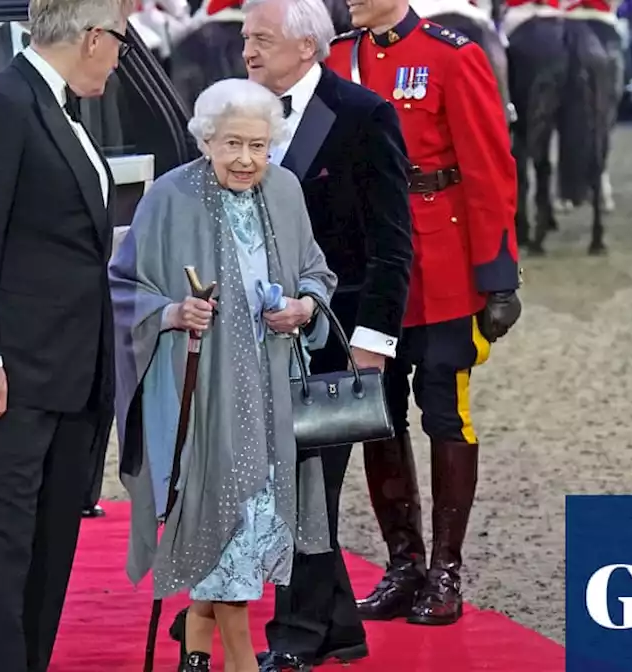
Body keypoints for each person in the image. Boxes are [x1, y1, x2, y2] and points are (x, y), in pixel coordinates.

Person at [0, 0, 132, 669]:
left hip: (65, 375)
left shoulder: (59, 107)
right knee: (2, 549)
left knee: (47, 549)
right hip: (4, 381)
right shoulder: (1, 106)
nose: (123, 56)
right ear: (94, 38)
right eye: (121, 41)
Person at [110, 77, 338, 672]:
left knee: (251, 530)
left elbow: (316, 269)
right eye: (232, 144)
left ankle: (193, 654)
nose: (245, 159)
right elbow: (120, 288)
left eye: (259, 146)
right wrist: (171, 313)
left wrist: (304, 306)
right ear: (205, 140)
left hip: (273, 396)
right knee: (225, 534)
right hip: (204, 400)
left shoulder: (286, 191)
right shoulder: (169, 197)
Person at [222, 0, 412, 668]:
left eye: (262, 39)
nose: (247, 51)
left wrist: (374, 344)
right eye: (245, 38)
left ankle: (295, 638)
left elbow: (394, 246)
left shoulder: (364, 115)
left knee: (301, 491)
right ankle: (338, 628)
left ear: (307, 46)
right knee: (292, 486)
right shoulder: (236, 115)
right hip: (253, 343)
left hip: (336, 343)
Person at [326, 0, 522, 627]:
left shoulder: (451, 55)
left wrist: (497, 275)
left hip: (439, 265)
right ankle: (403, 566)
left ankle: (446, 570)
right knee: (376, 417)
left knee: (444, 413)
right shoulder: (337, 56)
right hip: (366, 271)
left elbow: (489, 168)